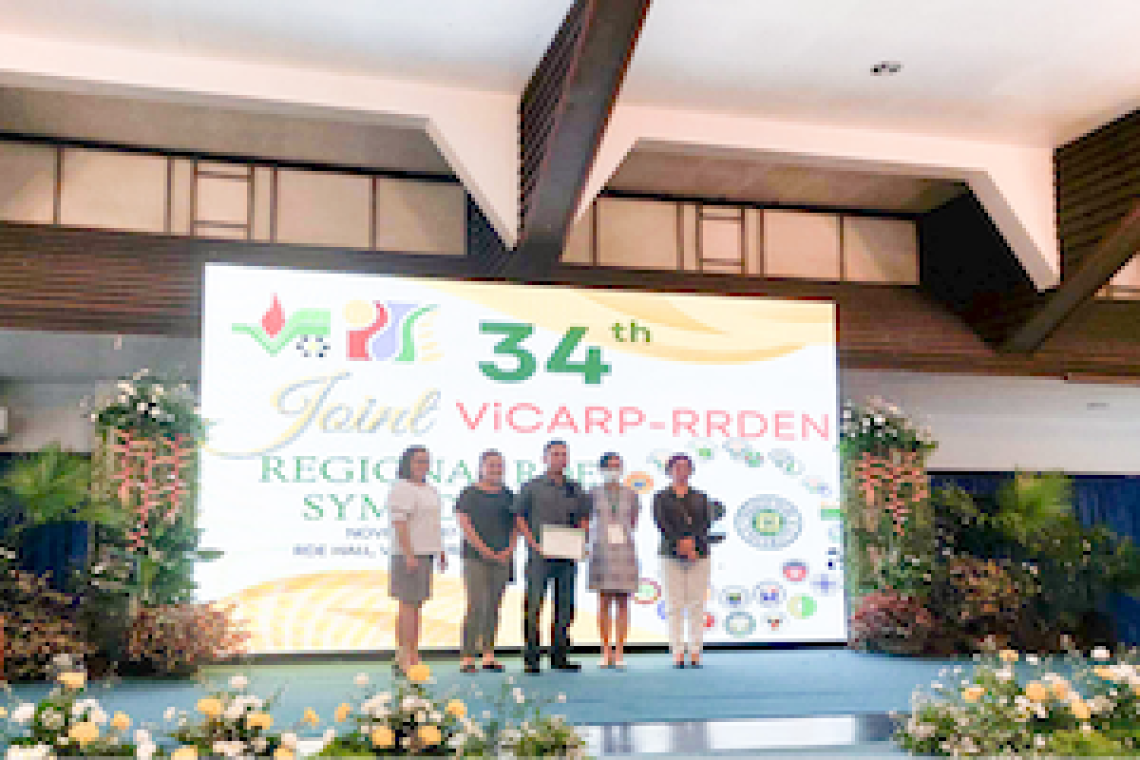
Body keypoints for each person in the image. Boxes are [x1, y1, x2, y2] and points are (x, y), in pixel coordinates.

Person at [512, 440, 591, 674]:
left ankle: (560, 655)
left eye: (563, 454)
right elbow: (519, 517)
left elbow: (584, 519)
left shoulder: (576, 488)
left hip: (567, 558)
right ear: (545, 458)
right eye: (555, 454)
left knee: (565, 606)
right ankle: (531, 657)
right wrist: (533, 542)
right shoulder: (532, 486)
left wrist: (581, 540)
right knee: (534, 605)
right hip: (539, 556)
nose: (559, 458)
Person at [652, 453, 717, 669]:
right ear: (669, 471)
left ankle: (695, 650)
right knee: (674, 603)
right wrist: (680, 542)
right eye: (676, 467)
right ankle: (678, 651)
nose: (681, 471)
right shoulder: (661, 497)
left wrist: (692, 543)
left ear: (691, 470)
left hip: (699, 553)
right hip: (670, 553)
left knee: (697, 603)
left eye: (685, 467)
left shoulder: (701, 497)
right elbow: (662, 523)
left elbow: (705, 522)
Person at [455, 450, 518, 674]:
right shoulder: (469, 493)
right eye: (491, 465)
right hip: (475, 558)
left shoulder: (509, 494)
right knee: (475, 606)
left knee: (493, 606)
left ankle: (488, 654)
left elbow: (516, 524)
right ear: (481, 467)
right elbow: (464, 523)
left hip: (502, 558)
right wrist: (484, 550)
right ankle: (467, 656)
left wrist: (509, 549)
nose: (495, 469)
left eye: (499, 465)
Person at [387, 445, 445, 675]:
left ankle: (413, 651)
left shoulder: (429, 489)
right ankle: (404, 655)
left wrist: (439, 549)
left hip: (426, 553)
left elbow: (432, 523)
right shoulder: (402, 488)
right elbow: (400, 524)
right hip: (408, 555)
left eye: (426, 461)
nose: (423, 466)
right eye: (419, 461)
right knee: (407, 606)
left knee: (417, 605)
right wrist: (408, 553)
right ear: (407, 464)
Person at [588, 452, 640, 670]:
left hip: (624, 550)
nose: (614, 469)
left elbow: (634, 521)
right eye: (609, 466)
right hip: (601, 550)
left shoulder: (631, 494)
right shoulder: (592, 493)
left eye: (617, 465)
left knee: (623, 602)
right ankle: (605, 650)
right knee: (603, 601)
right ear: (601, 469)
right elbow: (586, 521)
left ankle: (620, 651)